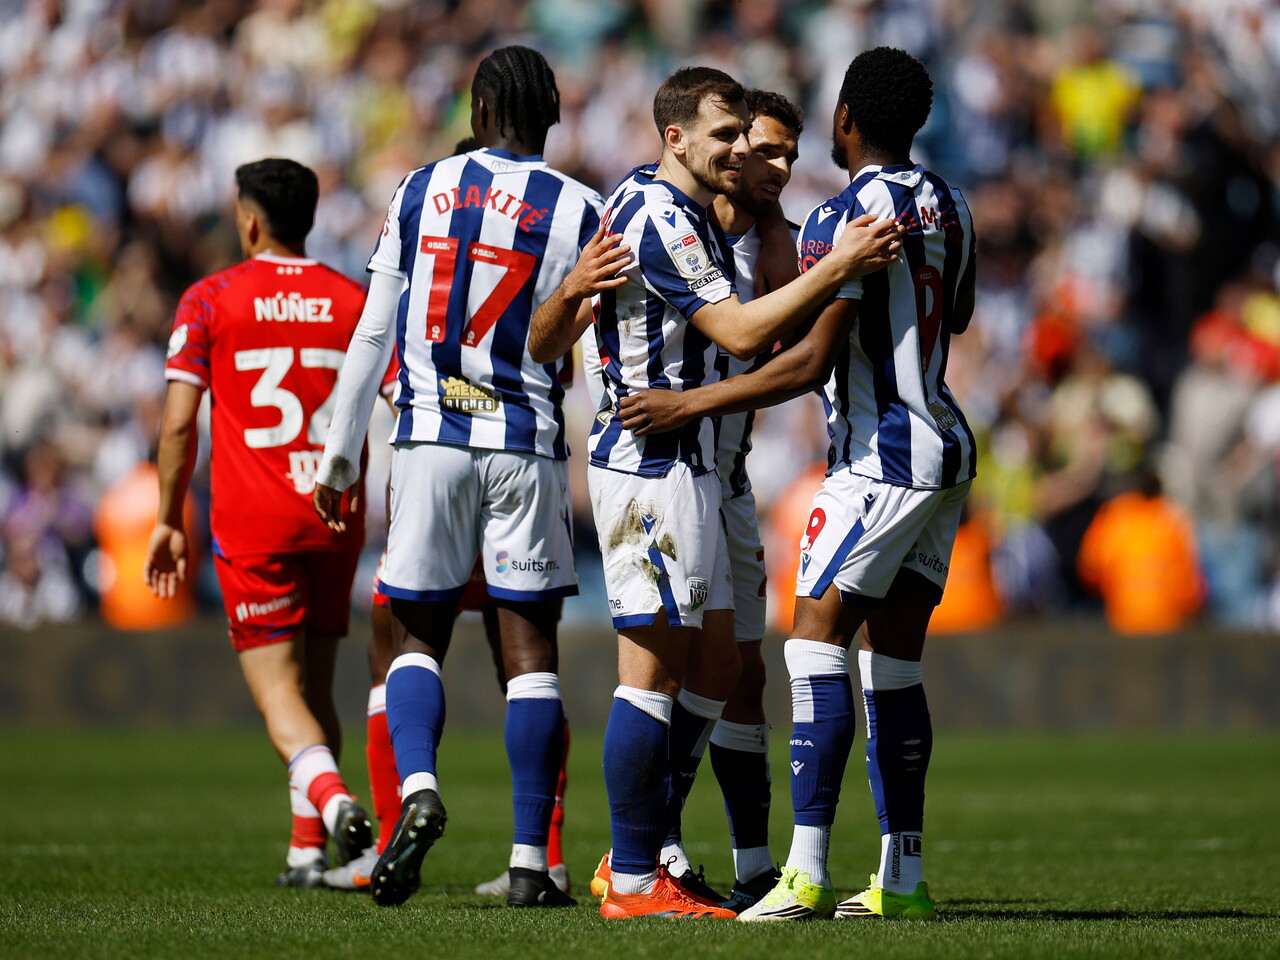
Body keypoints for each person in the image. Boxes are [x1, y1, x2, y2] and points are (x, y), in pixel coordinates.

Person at [529, 65, 902, 920]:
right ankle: (632, 873)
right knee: (654, 669)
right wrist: (841, 260)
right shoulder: (658, 217)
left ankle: (648, 847)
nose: (751, 157)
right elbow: (732, 332)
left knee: (722, 667)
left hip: (711, 473)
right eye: (734, 139)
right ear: (678, 140)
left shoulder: (696, 214)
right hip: (656, 463)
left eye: (762, 145)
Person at [618, 47, 978, 922]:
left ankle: (806, 871)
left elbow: (810, 360)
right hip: (947, 443)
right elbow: (957, 315)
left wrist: (691, 400)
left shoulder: (842, 219)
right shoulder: (954, 204)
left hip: (878, 455)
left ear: (845, 121)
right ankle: (901, 879)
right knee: (890, 665)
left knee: (813, 643)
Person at [312, 45, 602, 910]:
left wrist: (338, 448)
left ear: (477, 112)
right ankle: (527, 861)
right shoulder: (584, 209)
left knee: (415, 637)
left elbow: (373, 331)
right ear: (549, 119)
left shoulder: (419, 189)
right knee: (529, 652)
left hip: (428, 442)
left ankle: (421, 791)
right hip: (526, 445)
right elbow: (591, 351)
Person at [144, 157, 373, 887]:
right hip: (337, 512)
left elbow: (180, 426)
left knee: (280, 697)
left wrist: (167, 518)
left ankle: (336, 808)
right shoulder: (352, 299)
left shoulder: (210, 298)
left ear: (248, 220)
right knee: (317, 689)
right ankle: (307, 852)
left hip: (257, 521)